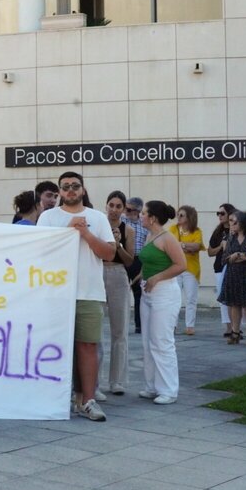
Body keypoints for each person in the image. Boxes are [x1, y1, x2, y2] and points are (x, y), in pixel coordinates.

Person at [37, 172, 115, 422]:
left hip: (88, 291)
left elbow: (110, 254)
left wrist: (86, 234)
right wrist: (67, 233)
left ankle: (87, 399)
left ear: (83, 189)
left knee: (88, 345)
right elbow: (40, 252)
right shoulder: (48, 217)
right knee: (57, 346)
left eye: (75, 186)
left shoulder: (98, 218)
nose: (71, 190)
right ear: (59, 191)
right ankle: (60, 397)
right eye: (65, 187)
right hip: (56, 293)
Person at [137, 200, 187, 404]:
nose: (140, 216)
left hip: (165, 293)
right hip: (147, 292)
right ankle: (152, 386)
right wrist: (141, 276)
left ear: (152, 218)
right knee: (148, 341)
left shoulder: (168, 238)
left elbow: (181, 265)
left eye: (143, 213)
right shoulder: (150, 235)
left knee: (162, 342)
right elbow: (150, 261)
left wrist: (157, 278)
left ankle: (168, 390)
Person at [103, 191, 135, 395]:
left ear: (123, 209)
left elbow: (130, 260)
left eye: (118, 206)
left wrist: (118, 244)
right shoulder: (98, 224)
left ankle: (117, 381)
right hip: (97, 271)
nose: (114, 210)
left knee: (120, 330)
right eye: (111, 205)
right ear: (105, 206)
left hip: (117, 273)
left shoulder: (128, 230)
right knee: (94, 331)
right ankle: (92, 382)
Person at [217, 210, 246, 345]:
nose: (232, 225)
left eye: (235, 222)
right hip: (233, 275)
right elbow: (225, 258)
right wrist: (236, 257)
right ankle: (235, 332)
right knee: (234, 304)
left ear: (243, 223)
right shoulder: (231, 238)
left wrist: (238, 255)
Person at [169, 206, 203, 335]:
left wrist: (181, 245)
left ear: (189, 217)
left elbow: (196, 246)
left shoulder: (197, 231)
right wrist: (185, 247)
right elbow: (170, 245)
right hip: (175, 266)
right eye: (178, 214)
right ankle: (173, 325)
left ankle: (190, 326)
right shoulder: (173, 229)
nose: (178, 217)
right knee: (174, 297)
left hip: (191, 268)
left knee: (191, 298)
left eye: (182, 215)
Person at [207, 203, 236, 337]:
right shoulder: (218, 232)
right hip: (220, 267)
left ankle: (238, 326)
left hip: (235, 267)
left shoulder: (237, 229)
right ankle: (228, 327)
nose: (219, 216)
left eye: (222, 213)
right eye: (218, 213)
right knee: (223, 298)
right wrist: (220, 246)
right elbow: (210, 252)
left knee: (236, 298)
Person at [126, 196, 148, 334]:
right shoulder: (121, 221)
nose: (125, 211)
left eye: (128, 209)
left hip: (138, 259)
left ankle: (139, 324)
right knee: (121, 292)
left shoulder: (144, 224)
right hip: (123, 257)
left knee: (138, 293)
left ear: (137, 210)